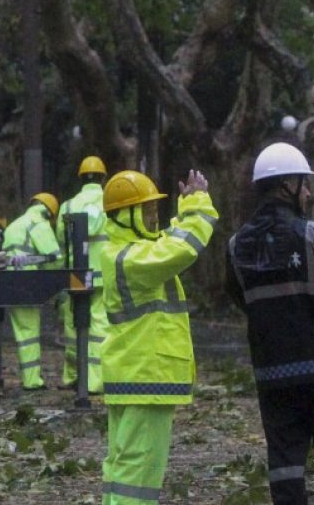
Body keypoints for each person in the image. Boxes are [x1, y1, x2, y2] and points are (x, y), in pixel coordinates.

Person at [226, 142, 314, 505]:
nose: (308, 193)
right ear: (287, 184)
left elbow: (242, 299)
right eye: (304, 184)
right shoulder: (313, 234)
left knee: (285, 465)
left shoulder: (235, 246)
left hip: (272, 374)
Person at [100, 168, 217, 505]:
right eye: (146, 211)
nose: (154, 217)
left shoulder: (127, 251)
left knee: (123, 466)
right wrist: (198, 207)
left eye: (154, 210)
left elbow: (166, 242)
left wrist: (184, 211)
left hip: (134, 374)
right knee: (140, 471)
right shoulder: (131, 258)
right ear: (126, 216)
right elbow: (180, 250)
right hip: (146, 376)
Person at [56, 155, 108, 392]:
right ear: (103, 177)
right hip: (103, 273)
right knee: (99, 326)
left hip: (75, 272)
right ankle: (95, 381)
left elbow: (61, 239)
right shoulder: (110, 202)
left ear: (80, 178)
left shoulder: (68, 206)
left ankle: (73, 377)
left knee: (72, 325)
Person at [2, 191, 61, 390]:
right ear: (49, 213)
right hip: (27, 282)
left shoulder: (14, 224)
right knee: (30, 332)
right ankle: (32, 381)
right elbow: (54, 256)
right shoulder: (39, 224)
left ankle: (29, 378)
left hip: (9, 281)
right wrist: (54, 286)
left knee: (22, 332)